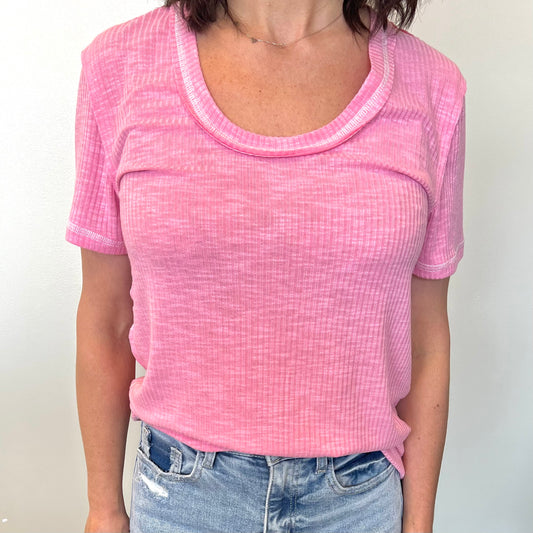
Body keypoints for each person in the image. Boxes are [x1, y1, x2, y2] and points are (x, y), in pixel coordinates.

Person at [65, 0, 467, 531]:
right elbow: (107, 318)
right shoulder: (119, 66)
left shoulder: (433, 86)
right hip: (181, 499)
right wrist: (103, 510)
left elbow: (426, 339)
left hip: (357, 503)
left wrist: (419, 524)